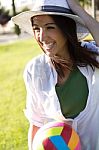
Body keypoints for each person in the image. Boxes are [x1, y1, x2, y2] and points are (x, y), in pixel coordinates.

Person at [12, 0, 99, 149]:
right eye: (36, 28)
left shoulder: (93, 58)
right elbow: (37, 123)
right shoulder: (34, 70)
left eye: (50, 27)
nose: (42, 36)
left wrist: (77, 8)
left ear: (66, 28)